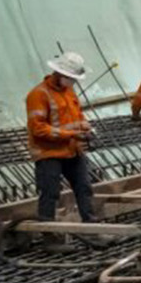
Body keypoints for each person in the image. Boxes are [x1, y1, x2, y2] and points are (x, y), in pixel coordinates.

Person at [26, 52, 97, 223]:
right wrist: (72, 134)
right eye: (70, 78)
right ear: (58, 73)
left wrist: (85, 127)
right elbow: (38, 129)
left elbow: (78, 115)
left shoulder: (69, 91)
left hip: (72, 150)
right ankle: (48, 231)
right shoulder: (38, 95)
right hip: (49, 153)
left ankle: (91, 225)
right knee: (50, 193)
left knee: (84, 187)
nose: (73, 82)